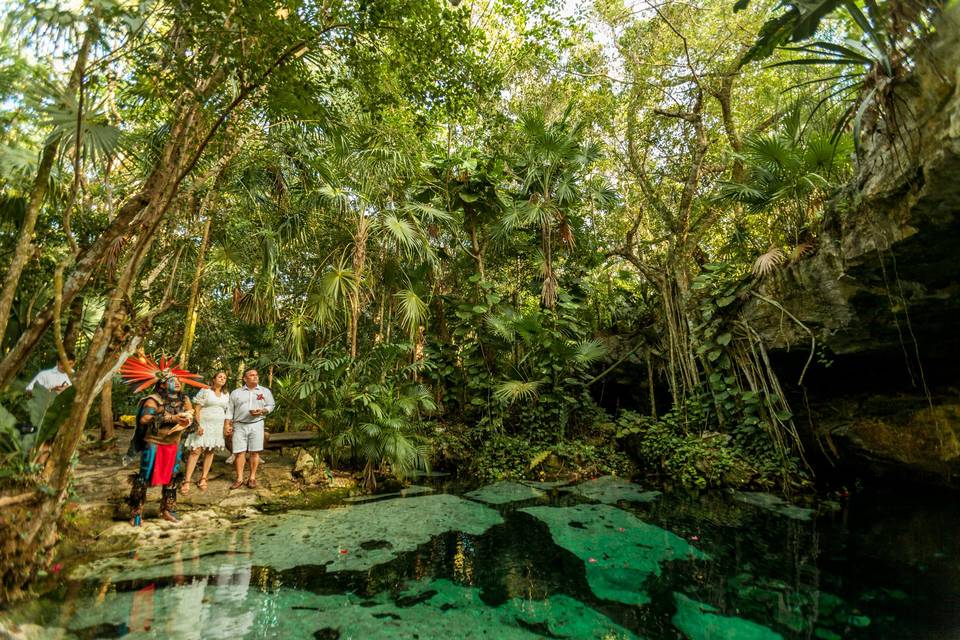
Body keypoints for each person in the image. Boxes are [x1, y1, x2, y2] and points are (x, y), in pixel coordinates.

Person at [119, 355, 207, 526]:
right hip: (154, 443)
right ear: (162, 384)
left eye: (178, 380)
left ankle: (168, 509)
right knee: (144, 477)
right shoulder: (154, 399)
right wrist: (171, 418)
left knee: (173, 477)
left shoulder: (185, 400)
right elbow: (145, 419)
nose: (178, 382)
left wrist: (192, 423)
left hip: (174, 444)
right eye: (173, 380)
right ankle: (136, 512)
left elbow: (191, 419)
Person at [225, 368, 274, 490]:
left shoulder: (264, 391)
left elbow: (271, 405)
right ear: (245, 379)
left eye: (256, 375)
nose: (255, 377)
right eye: (251, 375)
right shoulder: (236, 393)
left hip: (257, 423)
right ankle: (239, 478)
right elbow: (230, 410)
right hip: (239, 424)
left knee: (255, 451)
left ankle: (252, 477)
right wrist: (227, 425)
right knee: (239, 452)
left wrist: (263, 410)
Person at [181, 371, 229, 494]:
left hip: (217, 426)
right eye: (220, 376)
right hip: (204, 424)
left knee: (210, 451)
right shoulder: (205, 391)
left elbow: (227, 411)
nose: (222, 379)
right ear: (213, 378)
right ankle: (187, 481)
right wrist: (198, 425)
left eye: (224, 377)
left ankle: (203, 478)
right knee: (195, 451)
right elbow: (197, 409)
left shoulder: (226, 395)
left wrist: (226, 426)